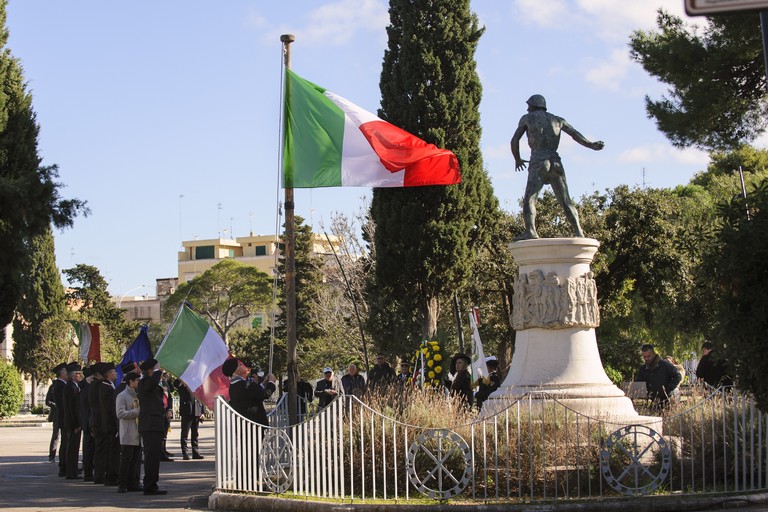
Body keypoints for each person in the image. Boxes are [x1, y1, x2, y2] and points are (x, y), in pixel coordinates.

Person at [510, 94, 605, 240]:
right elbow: (574, 134)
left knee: (530, 199)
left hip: (539, 161)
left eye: (529, 105)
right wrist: (591, 144)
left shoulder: (527, 118)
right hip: (556, 162)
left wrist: (517, 159)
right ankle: (578, 231)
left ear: (534, 105)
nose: (527, 109)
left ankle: (531, 232)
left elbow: (514, 140)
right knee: (566, 201)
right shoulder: (558, 120)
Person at [138, 358, 168, 495]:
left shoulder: (150, 383)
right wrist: (157, 370)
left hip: (155, 425)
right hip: (150, 426)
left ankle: (152, 484)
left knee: (155, 457)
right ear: (150, 371)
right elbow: (152, 383)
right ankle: (149, 485)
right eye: (155, 369)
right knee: (151, 457)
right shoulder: (144, 382)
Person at [224, 358, 277, 426]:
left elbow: (255, 393)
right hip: (254, 425)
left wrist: (264, 382)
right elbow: (265, 394)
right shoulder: (244, 385)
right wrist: (271, 382)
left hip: (245, 425)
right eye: (240, 365)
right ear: (237, 371)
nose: (243, 365)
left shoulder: (234, 385)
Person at [115, 371, 142, 493]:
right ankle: (122, 484)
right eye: (136, 380)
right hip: (128, 432)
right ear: (130, 381)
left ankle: (134, 482)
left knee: (136, 459)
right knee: (126, 459)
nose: (138, 382)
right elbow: (120, 413)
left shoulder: (138, 394)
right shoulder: (122, 396)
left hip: (138, 432)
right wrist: (136, 412)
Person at [635, 344, 682, 410]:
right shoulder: (643, 369)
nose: (647, 359)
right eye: (644, 357)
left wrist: (668, 389)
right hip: (653, 401)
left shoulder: (665, 365)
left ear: (654, 354)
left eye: (649, 356)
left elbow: (678, 376)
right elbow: (639, 382)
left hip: (668, 399)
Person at [99, 362, 120, 486]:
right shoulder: (106, 387)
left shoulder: (109, 386)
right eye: (113, 372)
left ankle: (111, 475)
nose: (115, 374)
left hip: (110, 424)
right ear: (108, 374)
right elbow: (110, 408)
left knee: (112, 451)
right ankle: (111, 476)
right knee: (112, 452)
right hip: (110, 424)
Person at [62, 362, 83, 479]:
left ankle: (73, 470)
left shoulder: (74, 386)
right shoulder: (71, 387)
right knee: (72, 448)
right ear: (73, 375)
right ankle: (71, 472)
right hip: (72, 422)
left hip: (73, 421)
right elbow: (72, 408)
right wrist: (76, 424)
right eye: (78, 373)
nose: (80, 375)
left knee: (74, 448)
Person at [175, 379, 204, 460]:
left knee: (195, 433)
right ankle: (185, 452)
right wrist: (182, 381)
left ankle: (195, 452)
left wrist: (202, 411)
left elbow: (201, 397)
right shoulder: (183, 382)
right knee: (185, 433)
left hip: (196, 410)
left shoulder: (197, 382)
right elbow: (175, 384)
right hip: (187, 410)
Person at [88, 363, 106, 484]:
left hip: (96, 419)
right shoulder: (98, 385)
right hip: (99, 420)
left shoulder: (93, 384)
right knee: (100, 449)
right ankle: (99, 475)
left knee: (99, 449)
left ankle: (99, 474)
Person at [45, 363, 66, 464]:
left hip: (65, 414)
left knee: (66, 436)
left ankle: (64, 458)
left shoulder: (66, 384)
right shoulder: (53, 386)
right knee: (56, 435)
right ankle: (52, 455)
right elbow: (48, 401)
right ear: (61, 373)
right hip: (57, 414)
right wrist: (57, 405)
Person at [52, 362, 70, 477]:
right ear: (62, 373)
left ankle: (66, 465)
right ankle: (64, 466)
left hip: (63, 417)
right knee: (65, 443)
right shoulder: (60, 386)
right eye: (66, 371)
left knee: (66, 442)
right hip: (64, 417)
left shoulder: (61, 385)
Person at [79, 366, 95, 481]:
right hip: (89, 423)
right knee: (89, 449)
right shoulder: (88, 390)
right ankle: (88, 473)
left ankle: (88, 471)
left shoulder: (84, 388)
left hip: (87, 422)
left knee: (88, 448)